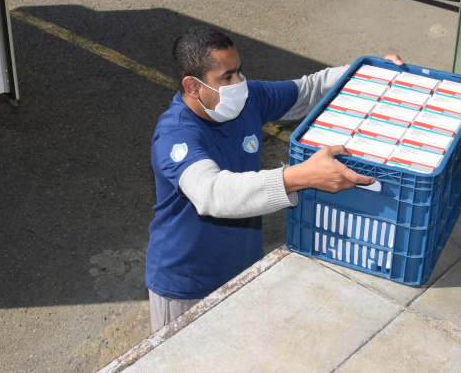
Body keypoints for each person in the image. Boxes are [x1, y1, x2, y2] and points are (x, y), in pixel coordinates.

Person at [145, 26, 403, 332]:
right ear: (192, 86)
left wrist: (370, 71)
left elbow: (310, 89)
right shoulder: (176, 134)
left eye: (239, 71)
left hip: (243, 267)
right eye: (226, 77)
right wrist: (301, 176)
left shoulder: (247, 100)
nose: (238, 83)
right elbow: (212, 194)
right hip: (186, 284)